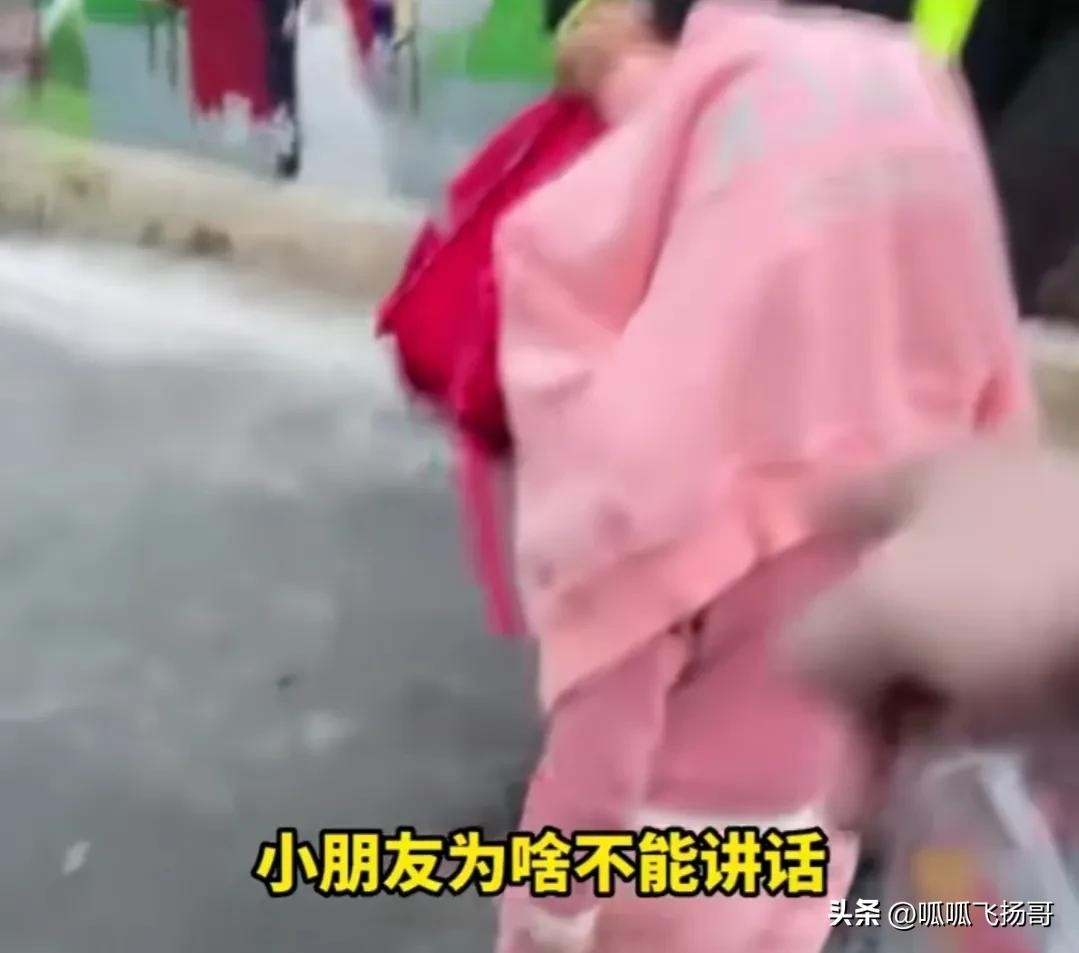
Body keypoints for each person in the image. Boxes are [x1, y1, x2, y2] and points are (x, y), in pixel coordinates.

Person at [492, 1, 1035, 951]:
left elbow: (599, 756)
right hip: (810, 852)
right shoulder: (921, 491)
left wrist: (548, 910)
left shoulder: (676, 500)